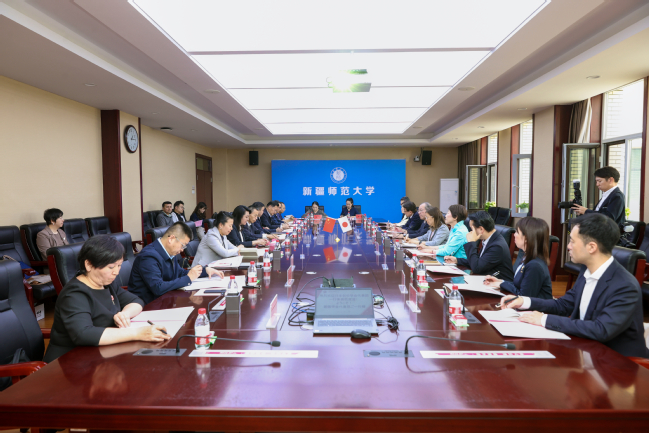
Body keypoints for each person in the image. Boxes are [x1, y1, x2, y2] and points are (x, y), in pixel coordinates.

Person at [501, 213, 648, 358]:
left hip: (618, 363)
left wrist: (544, 319)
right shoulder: (587, 270)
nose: (568, 246)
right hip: (586, 352)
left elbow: (601, 329)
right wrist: (524, 301)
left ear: (591, 247)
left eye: (572, 241)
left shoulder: (625, 286)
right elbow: (563, 305)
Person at [44, 235, 170, 362]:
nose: (116, 272)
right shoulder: (74, 294)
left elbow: (136, 301)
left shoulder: (106, 283)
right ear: (89, 265)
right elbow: (83, 334)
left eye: (119, 265)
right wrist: (137, 333)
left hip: (101, 354)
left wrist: (125, 314)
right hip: (70, 361)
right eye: (111, 267)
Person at [128, 222, 222, 304]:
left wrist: (205, 271)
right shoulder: (148, 257)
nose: (182, 250)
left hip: (165, 301)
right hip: (147, 306)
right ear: (171, 239)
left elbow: (179, 272)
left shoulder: (169, 251)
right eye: (183, 245)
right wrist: (188, 278)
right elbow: (158, 288)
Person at [483, 217, 552, 299]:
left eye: (517, 232)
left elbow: (524, 297)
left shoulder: (534, 265)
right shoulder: (526, 257)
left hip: (534, 307)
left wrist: (501, 284)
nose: (514, 235)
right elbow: (520, 285)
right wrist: (500, 281)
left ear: (526, 238)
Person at [445, 211, 514, 281]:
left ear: (481, 229)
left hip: (500, 285)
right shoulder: (490, 238)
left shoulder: (497, 246)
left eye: (471, 229)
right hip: (486, 280)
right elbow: (479, 262)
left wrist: (471, 242)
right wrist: (457, 260)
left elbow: (476, 268)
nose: (470, 232)